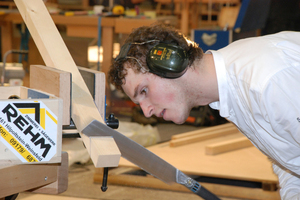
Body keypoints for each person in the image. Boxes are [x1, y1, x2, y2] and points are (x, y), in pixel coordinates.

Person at [108, 24, 300, 199]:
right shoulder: (231, 93)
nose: (146, 111)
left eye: (144, 91)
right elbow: (289, 159)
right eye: (138, 102)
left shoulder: (265, 83)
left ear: (171, 63)